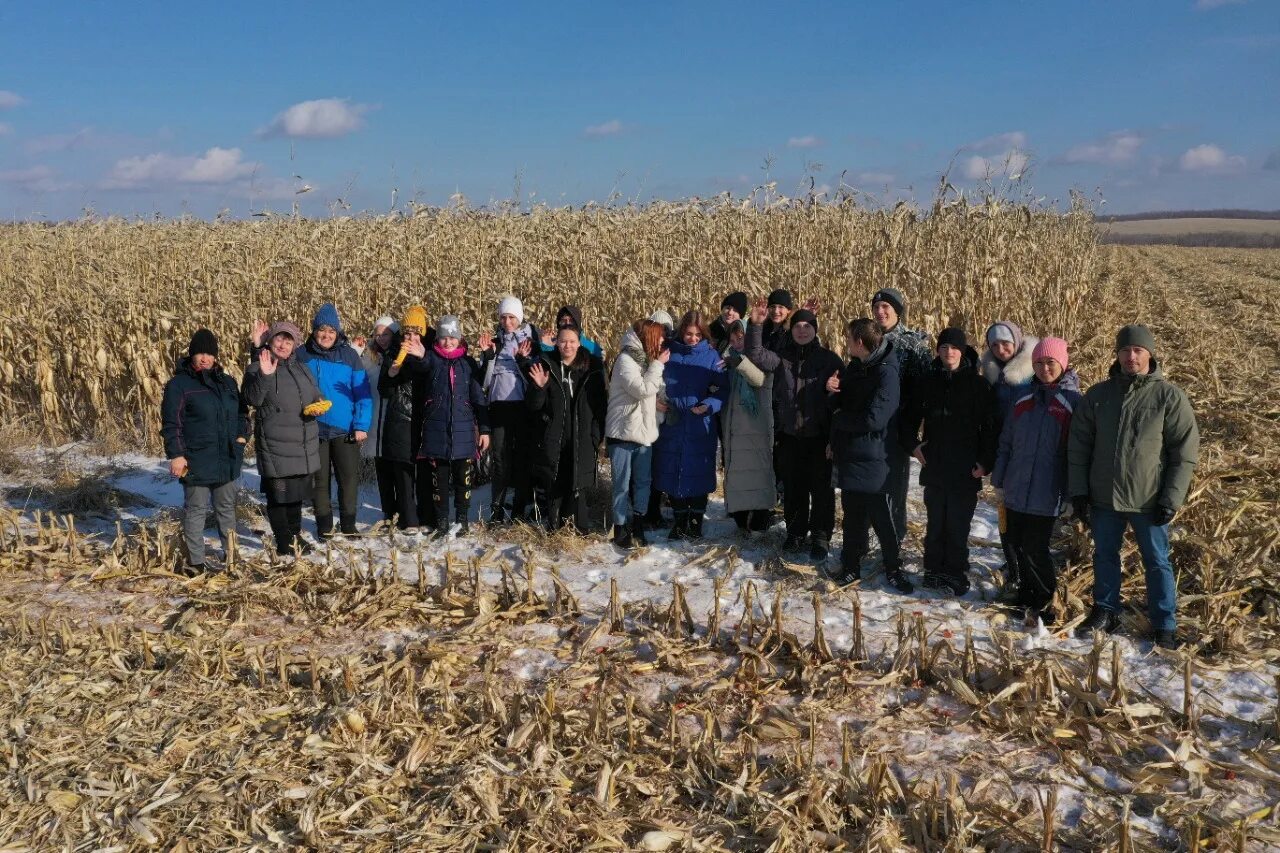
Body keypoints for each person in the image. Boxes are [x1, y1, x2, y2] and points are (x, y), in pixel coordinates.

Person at [1068, 325, 1199, 648]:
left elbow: (1184, 452)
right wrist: (1079, 491)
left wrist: (1171, 498)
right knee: (1105, 555)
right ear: (1117, 354)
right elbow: (1079, 446)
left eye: (1138, 350)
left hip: (1149, 499)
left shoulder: (1168, 397)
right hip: (1104, 495)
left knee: (1157, 561)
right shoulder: (1099, 396)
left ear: (1149, 354)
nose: (1131, 356)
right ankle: (1106, 610)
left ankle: (1164, 623)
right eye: (1125, 350)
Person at [899, 328, 997, 596]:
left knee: (957, 524)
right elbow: (907, 419)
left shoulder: (978, 385)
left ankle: (954, 572)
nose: (949, 352)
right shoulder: (927, 382)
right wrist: (914, 446)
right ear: (938, 351)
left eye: (954, 348)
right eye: (943, 347)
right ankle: (933, 570)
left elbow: (990, 428)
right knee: (935, 523)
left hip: (965, 469)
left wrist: (985, 462)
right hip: (935, 466)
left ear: (963, 351)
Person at [991, 337, 1082, 624]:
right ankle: (1026, 596)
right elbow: (1006, 442)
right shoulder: (1023, 400)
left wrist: (1070, 495)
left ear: (1062, 365)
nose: (1044, 368)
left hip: (1047, 490)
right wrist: (1000, 480)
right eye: (1039, 363)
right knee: (1016, 544)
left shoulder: (1073, 403)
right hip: (1017, 486)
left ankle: (1045, 601)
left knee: (1036, 548)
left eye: (1050, 363)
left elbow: (1075, 454)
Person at [825, 319, 913, 593]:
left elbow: (875, 419)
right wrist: (832, 392)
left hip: (875, 457)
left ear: (859, 343)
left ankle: (893, 569)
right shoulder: (855, 367)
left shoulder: (887, 373)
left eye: (849, 338)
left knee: (882, 519)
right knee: (852, 516)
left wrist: (840, 419)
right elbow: (841, 404)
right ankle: (850, 567)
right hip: (852, 454)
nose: (846, 342)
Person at [161, 329, 250, 573]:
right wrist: (177, 454)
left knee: (226, 510)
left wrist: (242, 437)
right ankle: (196, 562)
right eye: (200, 353)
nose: (204, 358)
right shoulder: (179, 385)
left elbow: (243, 414)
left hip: (227, 457)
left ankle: (231, 557)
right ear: (191, 355)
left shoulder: (228, 383)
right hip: (196, 458)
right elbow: (172, 424)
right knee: (196, 511)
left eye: (209, 353)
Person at [760, 308, 842, 558]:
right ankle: (795, 532)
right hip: (789, 436)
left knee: (821, 489)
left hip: (819, 437)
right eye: (797, 326)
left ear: (815, 330)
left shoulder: (829, 359)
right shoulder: (781, 358)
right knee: (794, 487)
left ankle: (820, 535)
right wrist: (755, 325)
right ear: (791, 330)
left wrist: (832, 390)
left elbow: (844, 398)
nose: (803, 331)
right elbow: (755, 354)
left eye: (808, 326)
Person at [404, 314, 491, 536]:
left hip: (463, 434)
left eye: (452, 337)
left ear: (459, 339)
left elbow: (478, 397)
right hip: (436, 431)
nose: (448, 342)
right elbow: (422, 365)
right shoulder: (432, 359)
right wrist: (421, 356)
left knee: (464, 480)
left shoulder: (468, 364)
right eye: (443, 338)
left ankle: (462, 519)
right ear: (437, 340)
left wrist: (484, 429)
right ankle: (442, 521)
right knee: (439, 482)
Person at [242, 321, 323, 556]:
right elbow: (252, 399)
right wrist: (265, 375)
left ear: (294, 345)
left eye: (288, 341)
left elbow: (314, 392)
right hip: (275, 444)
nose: (283, 344)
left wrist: (319, 403)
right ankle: (283, 540)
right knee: (279, 496)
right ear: (270, 341)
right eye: (279, 339)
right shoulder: (258, 367)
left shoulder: (302, 369)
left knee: (295, 494)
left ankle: (295, 535)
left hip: (301, 442)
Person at [296, 303, 372, 539]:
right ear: (314, 330)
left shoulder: (349, 356)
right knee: (320, 481)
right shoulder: (301, 354)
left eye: (331, 331)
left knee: (348, 479)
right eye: (322, 330)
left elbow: (363, 394)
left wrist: (361, 425)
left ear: (338, 332)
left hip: (344, 428)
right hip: (313, 427)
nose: (326, 335)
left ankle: (348, 524)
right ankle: (324, 526)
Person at [526, 326, 608, 531]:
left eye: (572, 341)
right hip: (556, 437)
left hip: (582, 437)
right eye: (563, 341)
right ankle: (555, 528)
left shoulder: (592, 367)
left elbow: (601, 407)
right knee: (555, 482)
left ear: (579, 342)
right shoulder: (546, 365)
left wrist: (596, 435)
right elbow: (534, 407)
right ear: (556, 342)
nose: (567, 345)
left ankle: (579, 529)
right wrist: (539, 387)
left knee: (578, 484)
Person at [653, 310, 725, 540]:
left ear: (703, 334)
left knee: (698, 471)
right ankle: (680, 519)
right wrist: (656, 400)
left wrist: (709, 404)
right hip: (673, 420)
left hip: (699, 422)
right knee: (672, 468)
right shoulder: (669, 353)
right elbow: (654, 379)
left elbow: (723, 389)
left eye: (696, 334)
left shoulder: (712, 356)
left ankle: (695, 521)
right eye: (687, 334)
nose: (692, 338)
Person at [979, 319, 1040, 590]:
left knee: (1025, 513)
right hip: (1004, 453)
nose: (1001, 349)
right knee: (1004, 511)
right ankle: (1012, 562)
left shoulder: (1032, 374)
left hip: (1028, 453)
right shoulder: (993, 376)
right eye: (995, 344)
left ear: (1017, 343)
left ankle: (1026, 565)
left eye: (1006, 343)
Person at [870, 288, 932, 546]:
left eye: (886, 306)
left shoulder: (913, 342)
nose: (880, 311)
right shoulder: (868, 337)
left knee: (894, 487)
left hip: (898, 426)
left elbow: (923, 390)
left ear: (897, 310)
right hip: (870, 426)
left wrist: (911, 430)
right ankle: (870, 538)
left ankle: (893, 542)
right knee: (870, 484)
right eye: (876, 307)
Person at [606, 319, 669, 549]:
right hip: (622, 433)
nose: (662, 341)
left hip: (643, 433)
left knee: (643, 482)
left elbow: (655, 389)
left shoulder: (648, 361)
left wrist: (661, 401)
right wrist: (659, 365)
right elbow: (642, 389)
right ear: (647, 337)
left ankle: (639, 525)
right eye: (658, 336)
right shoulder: (625, 360)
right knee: (621, 484)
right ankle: (621, 529)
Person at [476, 296, 539, 523]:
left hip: (522, 407)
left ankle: (520, 509)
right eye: (503, 317)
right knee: (500, 459)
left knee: (522, 459)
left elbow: (535, 378)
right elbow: (483, 382)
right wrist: (489, 357)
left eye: (512, 317)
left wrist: (523, 359)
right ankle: (497, 509)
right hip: (499, 407)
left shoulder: (530, 342)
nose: (507, 321)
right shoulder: (495, 342)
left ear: (519, 318)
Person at [374, 306, 434, 532]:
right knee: (404, 473)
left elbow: (432, 374)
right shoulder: (392, 354)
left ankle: (428, 517)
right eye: (407, 334)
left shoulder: (430, 353)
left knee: (425, 472)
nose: (410, 338)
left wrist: (420, 358)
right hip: (400, 418)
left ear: (423, 334)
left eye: (415, 333)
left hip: (425, 419)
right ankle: (410, 520)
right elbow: (384, 391)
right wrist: (390, 375)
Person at [722, 306, 778, 534]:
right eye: (733, 339)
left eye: (741, 338)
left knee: (758, 474)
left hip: (756, 429)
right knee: (738, 475)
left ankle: (760, 519)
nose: (736, 343)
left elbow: (758, 379)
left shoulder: (761, 358)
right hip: (736, 430)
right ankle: (740, 515)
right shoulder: (729, 361)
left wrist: (737, 362)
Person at [639, 310, 676, 527]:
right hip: (646, 421)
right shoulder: (642, 355)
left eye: (666, 331)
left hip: (665, 421)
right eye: (658, 330)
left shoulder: (671, 353)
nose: (663, 335)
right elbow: (637, 386)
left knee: (659, 468)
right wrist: (653, 402)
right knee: (646, 470)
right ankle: (646, 513)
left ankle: (655, 510)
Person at [358, 316, 397, 517]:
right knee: (382, 470)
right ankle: (388, 512)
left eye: (386, 334)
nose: (382, 338)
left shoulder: (399, 356)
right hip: (375, 421)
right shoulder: (368, 358)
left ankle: (401, 512)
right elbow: (354, 376)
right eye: (378, 334)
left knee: (396, 469)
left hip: (394, 421)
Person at [762, 288, 795, 353]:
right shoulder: (762, 329)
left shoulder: (792, 333)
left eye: (781, 307)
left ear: (788, 310)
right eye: (773, 306)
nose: (776, 311)